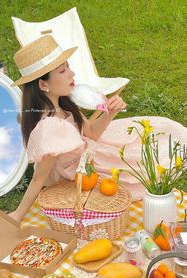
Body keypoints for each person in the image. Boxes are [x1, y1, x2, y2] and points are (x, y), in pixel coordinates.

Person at [10, 35, 187, 222]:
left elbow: (91, 133)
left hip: (91, 150)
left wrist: (109, 113)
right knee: (139, 164)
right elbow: (39, 178)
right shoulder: (50, 127)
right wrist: (18, 214)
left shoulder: (64, 103)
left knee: (157, 130)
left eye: (68, 67)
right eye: (62, 71)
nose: (71, 74)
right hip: (86, 169)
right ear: (43, 84)